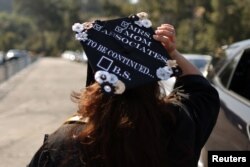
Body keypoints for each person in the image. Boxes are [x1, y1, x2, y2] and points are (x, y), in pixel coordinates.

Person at [27, 23, 220, 167]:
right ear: (152, 82)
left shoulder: (63, 142)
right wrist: (171, 52)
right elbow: (202, 91)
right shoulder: (176, 125)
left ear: (96, 82)